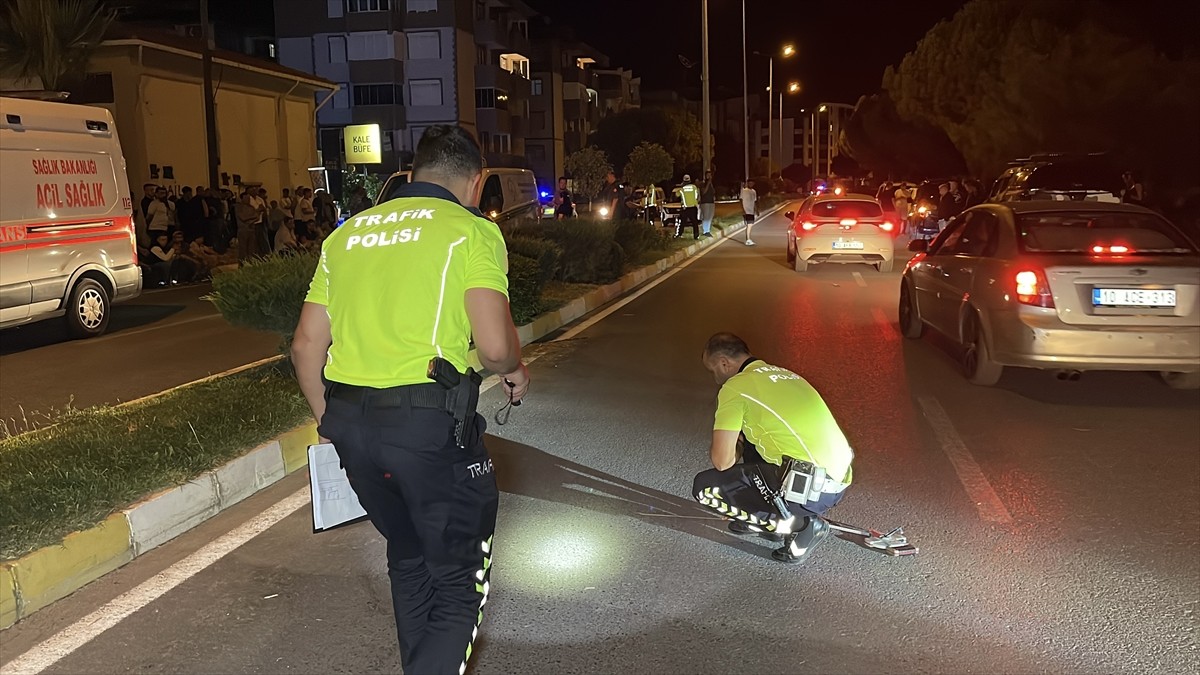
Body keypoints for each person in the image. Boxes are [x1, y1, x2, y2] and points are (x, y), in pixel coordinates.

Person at [291, 124, 530, 675]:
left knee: (408, 556)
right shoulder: (470, 231)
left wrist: (331, 423)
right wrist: (515, 367)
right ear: (478, 182)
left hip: (351, 426)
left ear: (413, 172)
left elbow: (306, 346)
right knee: (458, 581)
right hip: (428, 429)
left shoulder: (346, 236)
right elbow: (494, 347)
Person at [691, 333, 855, 564]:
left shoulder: (735, 388)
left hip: (810, 490)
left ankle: (804, 525)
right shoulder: (786, 375)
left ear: (724, 363)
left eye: (713, 369)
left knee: (705, 488)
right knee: (752, 441)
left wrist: (734, 441)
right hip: (836, 480)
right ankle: (769, 520)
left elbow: (722, 461)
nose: (715, 376)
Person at [674, 174, 700, 239]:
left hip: (685, 208)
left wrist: (681, 186)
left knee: (682, 222)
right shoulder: (694, 187)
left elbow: (676, 195)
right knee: (695, 222)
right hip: (693, 207)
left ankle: (679, 234)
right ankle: (696, 236)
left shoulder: (682, 189)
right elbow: (697, 196)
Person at [740, 180, 758, 245]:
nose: (751, 184)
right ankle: (748, 239)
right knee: (749, 225)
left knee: (749, 225)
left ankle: (748, 239)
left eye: (752, 183)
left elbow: (754, 201)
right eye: (749, 183)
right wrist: (742, 209)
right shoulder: (744, 191)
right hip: (746, 210)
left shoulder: (754, 192)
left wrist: (756, 210)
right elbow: (741, 200)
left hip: (751, 210)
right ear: (747, 183)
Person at [698, 171, 716, 238]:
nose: (709, 177)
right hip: (705, 202)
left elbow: (713, 191)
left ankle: (708, 230)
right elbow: (704, 192)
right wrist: (708, 183)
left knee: (710, 216)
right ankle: (705, 231)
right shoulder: (703, 183)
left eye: (710, 175)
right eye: (708, 175)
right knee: (705, 217)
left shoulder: (711, 184)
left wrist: (710, 184)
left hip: (711, 202)